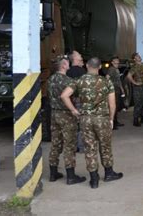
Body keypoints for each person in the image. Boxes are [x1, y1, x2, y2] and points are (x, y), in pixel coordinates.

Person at [61, 57, 123, 189]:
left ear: (87, 66)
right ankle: (109, 173)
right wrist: (111, 119)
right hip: (102, 119)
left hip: (86, 119)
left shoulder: (79, 80)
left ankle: (94, 179)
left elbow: (64, 95)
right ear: (100, 67)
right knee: (105, 146)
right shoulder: (106, 82)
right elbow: (112, 104)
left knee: (90, 148)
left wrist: (73, 110)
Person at [47, 55, 86, 185]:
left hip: (54, 114)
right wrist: (73, 110)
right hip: (66, 116)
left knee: (55, 143)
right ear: (63, 66)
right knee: (69, 144)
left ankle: (53, 173)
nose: (69, 64)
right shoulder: (68, 81)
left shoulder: (50, 79)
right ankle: (71, 175)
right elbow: (69, 97)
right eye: (67, 63)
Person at [126, 52, 143, 127]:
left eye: (139, 55)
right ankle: (136, 121)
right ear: (134, 59)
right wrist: (135, 83)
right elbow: (129, 76)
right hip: (138, 88)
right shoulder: (135, 66)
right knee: (138, 104)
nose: (139, 57)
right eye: (137, 56)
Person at [105, 56, 125, 129]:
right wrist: (109, 87)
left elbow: (119, 81)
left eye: (117, 60)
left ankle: (115, 122)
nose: (117, 61)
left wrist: (122, 89)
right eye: (115, 60)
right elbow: (107, 78)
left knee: (117, 106)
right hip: (113, 90)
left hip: (117, 89)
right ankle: (113, 122)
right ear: (112, 62)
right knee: (113, 106)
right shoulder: (111, 69)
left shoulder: (116, 69)